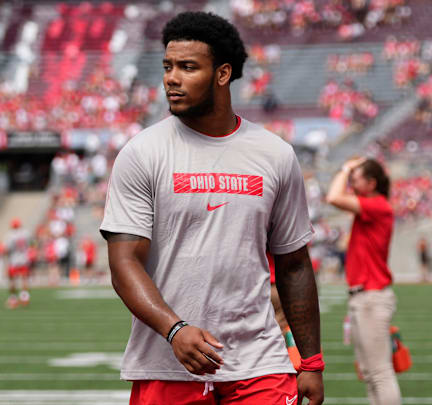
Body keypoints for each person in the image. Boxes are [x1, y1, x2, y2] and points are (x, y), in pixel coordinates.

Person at [100, 11, 324, 405]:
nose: (172, 78)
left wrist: (311, 361)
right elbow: (124, 263)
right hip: (167, 362)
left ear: (222, 74)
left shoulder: (275, 154)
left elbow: (294, 262)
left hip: (260, 363)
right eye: (168, 66)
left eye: (188, 67)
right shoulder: (141, 153)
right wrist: (175, 329)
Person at [326, 157, 401, 405]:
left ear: (371, 183)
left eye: (356, 178)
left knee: (380, 373)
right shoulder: (373, 204)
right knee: (370, 374)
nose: (351, 181)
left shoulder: (377, 204)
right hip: (364, 297)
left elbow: (333, 197)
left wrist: (345, 167)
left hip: (371, 296)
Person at [5, 218, 31, 308]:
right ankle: (25, 297)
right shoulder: (26, 233)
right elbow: (29, 244)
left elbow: (8, 249)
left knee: (12, 280)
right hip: (24, 259)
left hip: (14, 260)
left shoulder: (11, 235)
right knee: (24, 278)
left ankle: (13, 299)